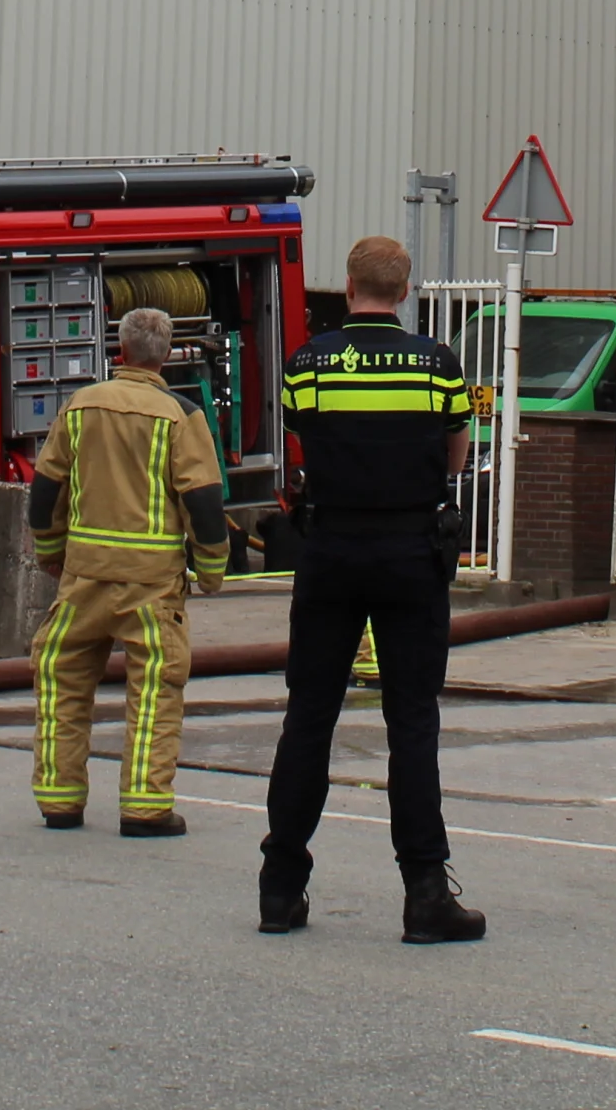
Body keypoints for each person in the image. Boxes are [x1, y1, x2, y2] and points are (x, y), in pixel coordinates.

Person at [260, 236, 483, 943]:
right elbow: (455, 455)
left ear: (350, 286)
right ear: (406, 290)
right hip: (411, 552)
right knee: (411, 724)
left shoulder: (310, 361)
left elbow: (303, 440)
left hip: (331, 548)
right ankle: (425, 895)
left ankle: (281, 889)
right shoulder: (438, 365)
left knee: (310, 718)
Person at [26, 307, 230, 832]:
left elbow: (45, 488)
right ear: (166, 357)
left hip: (84, 578)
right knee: (156, 690)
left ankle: (60, 799)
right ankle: (144, 806)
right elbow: (203, 501)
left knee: (61, 678)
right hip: (151, 587)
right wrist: (211, 570)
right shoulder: (181, 416)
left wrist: (50, 550)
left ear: (121, 353)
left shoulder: (79, 407)